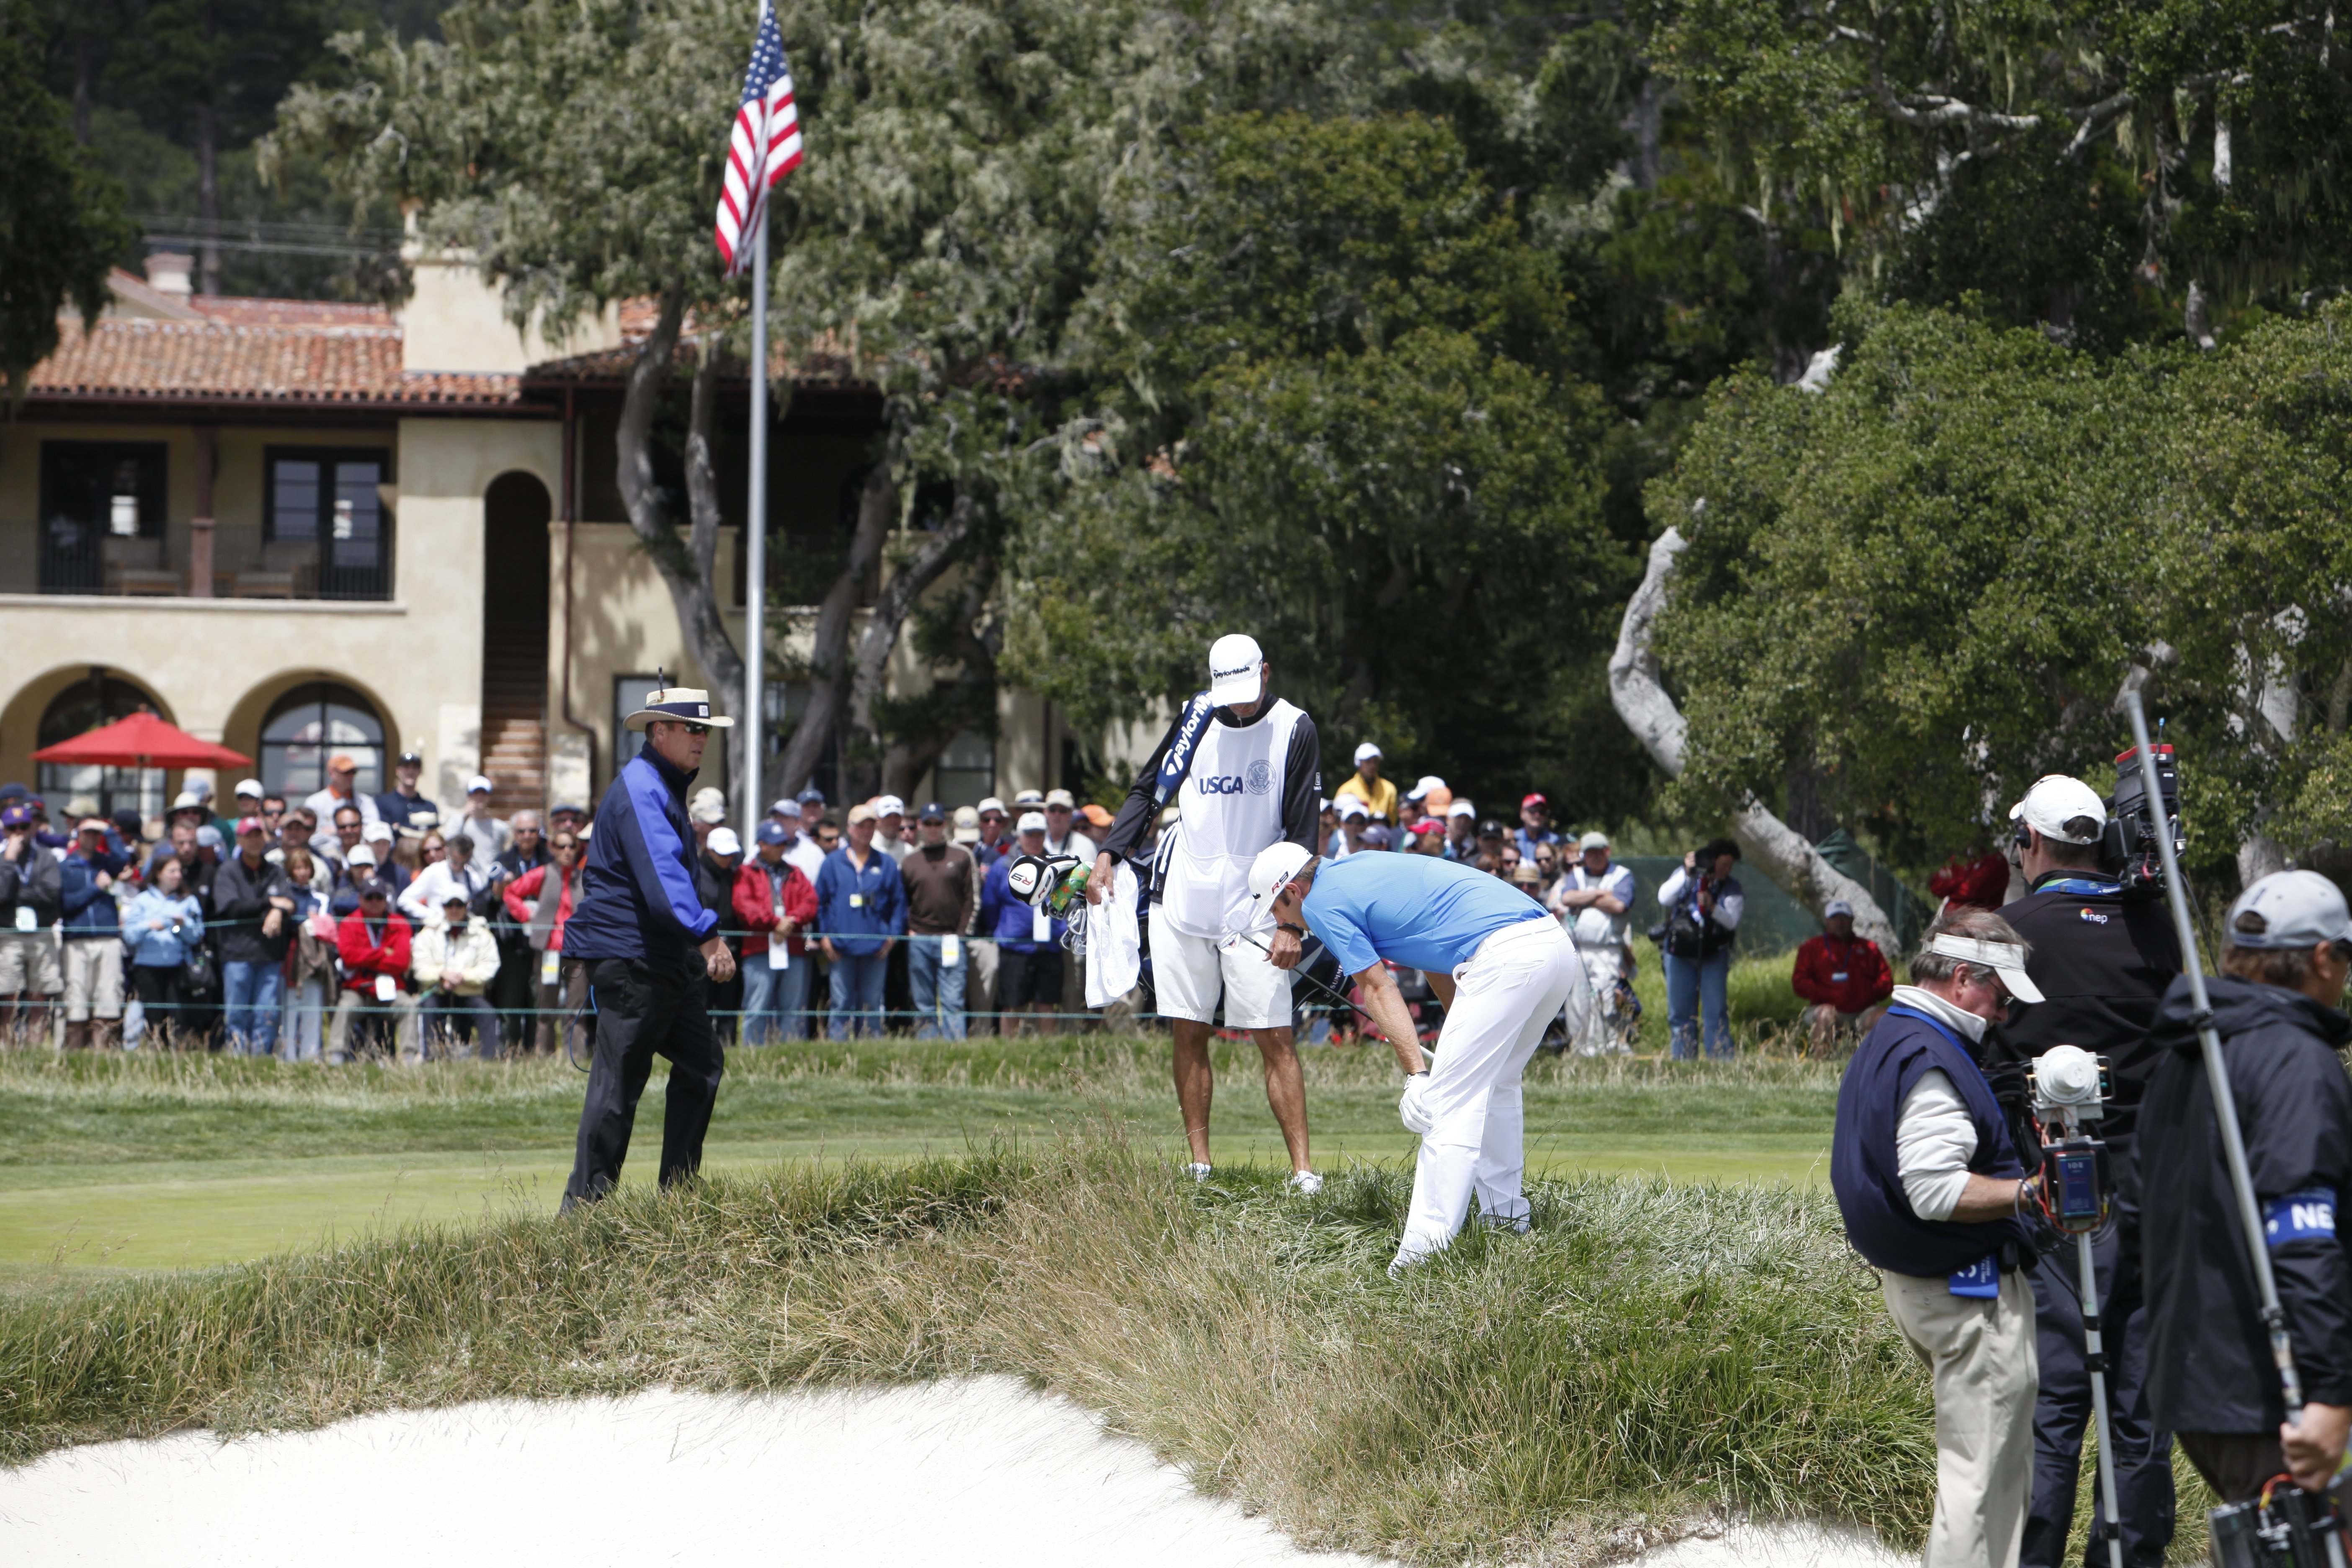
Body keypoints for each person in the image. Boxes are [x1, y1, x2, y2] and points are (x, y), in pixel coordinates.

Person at [1978, 774, 2184, 1568]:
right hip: (2153, 1196)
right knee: (2137, 1407)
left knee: (2056, 1401)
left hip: (2056, 1198)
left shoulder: (2009, 929)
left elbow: (1989, 1064)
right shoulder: (2157, 928)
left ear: (2031, 843)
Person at [1831, 907, 2047, 1568]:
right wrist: (2029, 1193)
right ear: (1960, 979)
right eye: (2001, 996)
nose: (2006, 1013)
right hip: (1966, 1296)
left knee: (1979, 1478)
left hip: (1927, 1287)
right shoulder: (1930, 1055)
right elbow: (1935, 1189)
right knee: (1979, 1488)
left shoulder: (1896, 1033)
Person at [1253, 842, 1586, 1263]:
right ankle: (1506, 1222)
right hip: (1553, 947)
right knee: (1497, 1084)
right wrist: (1459, 1040)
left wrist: (1417, 1075)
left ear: (1294, 892)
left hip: (1508, 957)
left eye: (1275, 910)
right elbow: (1434, 954)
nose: (1279, 921)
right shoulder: (1358, 868)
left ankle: (1423, 1257)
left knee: (1445, 1103)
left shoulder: (1320, 902)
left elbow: (1376, 987)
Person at [2135, 869, 2352, 1506]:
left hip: (2194, 1379)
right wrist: (2331, 1393)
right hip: (2267, 1387)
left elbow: (2133, 1219)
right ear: (2320, 959)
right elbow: (2302, 1233)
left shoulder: (2183, 1055)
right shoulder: (2294, 1058)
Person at [1087, 633, 1322, 1188]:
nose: (1237, 705)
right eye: (1228, 693)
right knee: (1188, 1032)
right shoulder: (1198, 716)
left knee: (1276, 1036)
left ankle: (1304, 1173)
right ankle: (1199, 1165)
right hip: (1185, 901)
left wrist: (1290, 922)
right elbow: (1149, 791)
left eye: (1246, 690)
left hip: (1259, 905)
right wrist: (1106, 856)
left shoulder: (1295, 727)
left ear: (1266, 673)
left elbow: (1302, 833)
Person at [559, 686, 738, 1208]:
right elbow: (665, 884)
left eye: (706, 730)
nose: (702, 739)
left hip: (657, 957)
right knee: (618, 1087)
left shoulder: (660, 783)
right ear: (659, 732)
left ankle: (677, 1195)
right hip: (632, 957)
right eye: (692, 728)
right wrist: (707, 937)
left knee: (702, 1064)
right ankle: (586, 1211)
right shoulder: (643, 786)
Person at [211, 816, 298, 1056]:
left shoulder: (275, 871)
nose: (254, 840)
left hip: (270, 955)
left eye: (258, 835)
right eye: (249, 836)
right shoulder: (228, 871)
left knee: (267, 1012)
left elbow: (291, 903)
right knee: (237, 1012)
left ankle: (260, 1061)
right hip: (238, 954)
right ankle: (237, 1057)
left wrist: (278, 911)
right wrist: (270, 903)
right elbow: (232, 908)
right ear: (239, 840)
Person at [816, 803, 905, 1038]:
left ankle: (870, 1052)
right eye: (860, 826)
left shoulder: (885, 863)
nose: (865, 831)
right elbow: (820, 902)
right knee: (841, 1003)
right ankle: (839, 1055)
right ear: (849, 828)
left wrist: (892, 936)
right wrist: (824, 937)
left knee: (872, 1004)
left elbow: (899, 904)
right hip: (840, 947)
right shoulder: (832, 863)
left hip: (876, 947)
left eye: (870, 826)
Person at [1550, 830, 1639, 1056]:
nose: (1595, 857)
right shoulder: (1577, 874)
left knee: (1605, 996)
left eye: (1599, 852)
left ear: (1607, 851)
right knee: (1579, 1001)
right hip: (1578, 949)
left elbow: (1619, 906)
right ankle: (1582, 1048)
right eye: (1590, 853)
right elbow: (1568, 898)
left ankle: (1607, 1047)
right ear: (1585, 855)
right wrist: (1600, 894)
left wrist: (1586, 898)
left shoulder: (1622, 875)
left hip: (1608, 949)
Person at [981, 811, 1066, 1037]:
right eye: (1030, 835)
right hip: (1015, 948)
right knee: (1012, 1004)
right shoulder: (1002, 867)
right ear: (1019, 836)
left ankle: (1049, 1052)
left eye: (1040, 834)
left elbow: (1068, 902)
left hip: (1049, 947)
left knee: (1047, 1004)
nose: (1035, 839)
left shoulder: (1059, 866)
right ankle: (1010, 1051)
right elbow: (990, 906)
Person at [1658, 838, 1745, 1059]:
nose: (1726, 870)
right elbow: (1664, 897)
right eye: (1723, 864)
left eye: (1730, 866)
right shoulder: (1687, 877)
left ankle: (1721, 1061)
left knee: (1715, 1012)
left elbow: (1731, 921)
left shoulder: (1732, 887)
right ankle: (1683, 1062)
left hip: (1713, 953)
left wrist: (1713, 907)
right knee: (1679, 1013)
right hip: (1680, 952)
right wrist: (1687, 873)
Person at [504, 828, 588, 1057]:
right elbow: (511, 893)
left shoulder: (584, 877)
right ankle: (545, 1056)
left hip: (578, 951)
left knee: (577, 1007)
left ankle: (576, 1057)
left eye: (572, 846)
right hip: (549, 949)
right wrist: (527, 915)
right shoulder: (543, 873)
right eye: (562, 846)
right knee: (546, 1006)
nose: (567, 851)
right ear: (553, 849)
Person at [733, 820, 818, 1045]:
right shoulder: (747, 872)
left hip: (793, 947)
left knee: (793, 1007)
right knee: (757, 1006)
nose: (781, 848)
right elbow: (744, 905)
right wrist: (773, 923)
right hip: (760, 947)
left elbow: (810, 901)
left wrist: (791, 921)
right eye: (775, 844)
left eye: (783, 843)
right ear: (761, 845)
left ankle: (788, 1056)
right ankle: (753, 1056)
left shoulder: (796, 872)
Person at [900, 802, 976, 1039]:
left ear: (945, 825)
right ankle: (928, 1050)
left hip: (951, 939)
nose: (933, 828)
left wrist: (961, 933)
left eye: (938, 823)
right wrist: (908, 930)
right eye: (928, 823)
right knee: (923, 1003)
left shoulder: (963, 856)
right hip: (919, 939)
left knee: (953, 1001)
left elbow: (972, 899)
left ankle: (955, 1050)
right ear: (920, 826)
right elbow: (901, 901)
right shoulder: (910, 860)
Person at [1792, 900, 1895, 1057]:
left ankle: (1876, 1063)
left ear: (1852, 921)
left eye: (1844, 918)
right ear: (1826, 921)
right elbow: (1799, 983)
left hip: (1863, 1011)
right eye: (1835, 918)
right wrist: (1826, 993)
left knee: (1885, 1016)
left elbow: (1886, 981)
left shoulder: (1869, 949)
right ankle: (1820, 1063)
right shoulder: (1811, 948)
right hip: (1829, 1009)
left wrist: (1866, 993)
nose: (1840, 923)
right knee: (1825, 1014)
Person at [330, 881, 420, 1062]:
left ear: (386, 900)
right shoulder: (349, 923)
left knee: (409, 1006)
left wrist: (365, 958)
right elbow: (348, 957)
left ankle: (410, 1060)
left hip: (391, 991)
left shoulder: (400, 923)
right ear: (360, 899)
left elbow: (402, 962)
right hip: (359, 990)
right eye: (369, 897)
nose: (374, 902)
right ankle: (336, 1060)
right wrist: (383, 952)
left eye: (379, 897)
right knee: (345, 1008)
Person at [57, 818, 126, 1050]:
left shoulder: (106, 863)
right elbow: (66, 905)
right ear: (78, 835)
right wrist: (95, 888)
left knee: (107, 1002)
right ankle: (75, 1055)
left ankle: (101, 1056)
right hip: (77, 940)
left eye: (96, 834)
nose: (92, 837)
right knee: (76, 1002)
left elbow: (123, 859)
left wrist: (110, 831)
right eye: (87, 833)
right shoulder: (67, 867)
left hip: (108, 938)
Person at [123, 856, 204, 1048]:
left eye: (179, 872)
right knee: (153, 1015)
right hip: (148, 968)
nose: (177, 876)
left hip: (178, 967)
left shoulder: (188, 900)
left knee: (178, 1016)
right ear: (159, 874)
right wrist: (149, 926)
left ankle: (176, 1053)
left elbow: (197, 936)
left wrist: (183, 926)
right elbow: (130, 936)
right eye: (172, 871)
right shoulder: (142, 900)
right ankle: (154, 1050)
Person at [0, 801, 64, 1037]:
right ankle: (6, 1047)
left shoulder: (46, 857)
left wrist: (18, 893)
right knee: (8, 993)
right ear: (5, 830)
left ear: (33, 827)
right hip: (8, 933)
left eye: (24, 827)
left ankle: (36, 1045)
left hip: (40, 933)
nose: (19, 833)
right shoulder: (2, 857)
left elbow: (51, 893)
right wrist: (8, 861)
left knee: (40, 992)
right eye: (13, 828)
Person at [413, 890, 503, 1058]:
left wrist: (462, 977)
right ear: (443, 907)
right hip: (438, 990)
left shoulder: (482, 933)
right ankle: (431, 1058)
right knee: (429, 1009)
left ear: (467, 906)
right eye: (449, 905)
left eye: (459, 905)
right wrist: (442, 975)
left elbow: (490, 966)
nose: (454, 909)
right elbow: (419, 967)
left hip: (469, 991)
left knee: (487, 1013)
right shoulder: (429, 932)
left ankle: (490, 1062)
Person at [281, 847, 336, 1062]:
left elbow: (326, 927)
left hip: (314, 960)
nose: (302, 872)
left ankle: (310, 1056)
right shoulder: (285, 895)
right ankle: (288, 1056)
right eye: (297, 868)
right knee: (290, 1008)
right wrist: (309, 921)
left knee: (312, 1008)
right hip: (290, 958)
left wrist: (307, 922)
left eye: (305, 867)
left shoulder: (321, 898)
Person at [696, 825, 745, 1044]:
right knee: (701, 1007)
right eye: (722, 854)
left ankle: (728, 1049)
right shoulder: (696, 875)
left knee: (729, 1006)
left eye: (731, 854)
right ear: (710, 851)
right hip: (701, 952)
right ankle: (701, 1050)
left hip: (732, 949)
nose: (728, 859)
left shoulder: (737, 875)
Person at [398, 828, 491, 923]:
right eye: (455, 862)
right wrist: (433, 916)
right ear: (447, 851)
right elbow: (405, 900)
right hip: (438, 931)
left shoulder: (472, 875)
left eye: (463, 863)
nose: (458, 867)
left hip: (465, 930)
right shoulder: (435, 871)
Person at [301, 753, 380, 838]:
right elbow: (308, 832)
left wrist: (336, 831)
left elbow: (373, 830)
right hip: (323, 850)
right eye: (346, 772)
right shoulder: (315, 802)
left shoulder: (365, 801)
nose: (351, 776)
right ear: (332, 773)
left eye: (353, 772)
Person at [1333, 742, 1398, 826]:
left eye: (1376, 762)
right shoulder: (1346, 790)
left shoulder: (1389, 789)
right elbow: (1337, 820)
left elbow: (1392, 822)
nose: (1373, 766)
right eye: (1368, 762)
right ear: (1358, 763)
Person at [375, 748, 436, 830]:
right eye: (406, 767)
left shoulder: (429, 807)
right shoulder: (383, 803)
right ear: (398, 771)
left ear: (420, 771)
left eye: (415, 767)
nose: (410, 772)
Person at [456, 775, 513, 859]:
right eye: (476, 793)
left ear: (489, 797)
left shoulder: (500, 827)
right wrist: (464, 817)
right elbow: (450, 844)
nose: (480, 796)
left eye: (484, 793)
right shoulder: (462, 825)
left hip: (494, 872)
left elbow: (510, 849)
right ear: (469, 796)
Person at [1042, 789, 1096, 863]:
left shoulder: (1085, 845)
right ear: (1045, 812)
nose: (1057, 814)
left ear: (1071, 814)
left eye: (1063, 811)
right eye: (1053, 810)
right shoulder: (1034, 841)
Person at [1515, 794, 1559, 861]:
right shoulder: (1513, 839)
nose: (1537, 815)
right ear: (1522, 814)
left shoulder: (1555, 841)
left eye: (1542, 812)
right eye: (1532, 811)